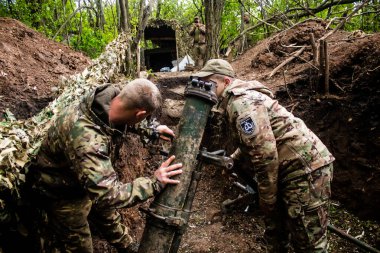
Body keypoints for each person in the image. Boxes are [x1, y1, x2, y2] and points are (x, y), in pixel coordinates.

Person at [192, 59, 334, 252]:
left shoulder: (241, 103)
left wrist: (266, 197)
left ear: (226, 82)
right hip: (290, 170)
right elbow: (253, 142)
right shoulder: (239, 101)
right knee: (276, 233)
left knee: (309, 242)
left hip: (305, 170)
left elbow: (264, 154)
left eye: (210, 83)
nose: (206, 88)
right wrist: (233, 158)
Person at [27, 79, 183, 253]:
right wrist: (154, 182)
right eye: (145, 118)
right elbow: (107, 195)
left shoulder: (107, 100)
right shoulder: (87, 139)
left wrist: (151, 129)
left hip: (82, 176)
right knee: (79, 245)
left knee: (108, 217)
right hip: (60, 191)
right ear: (139, 115)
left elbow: (124, 117)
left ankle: (127, 246)